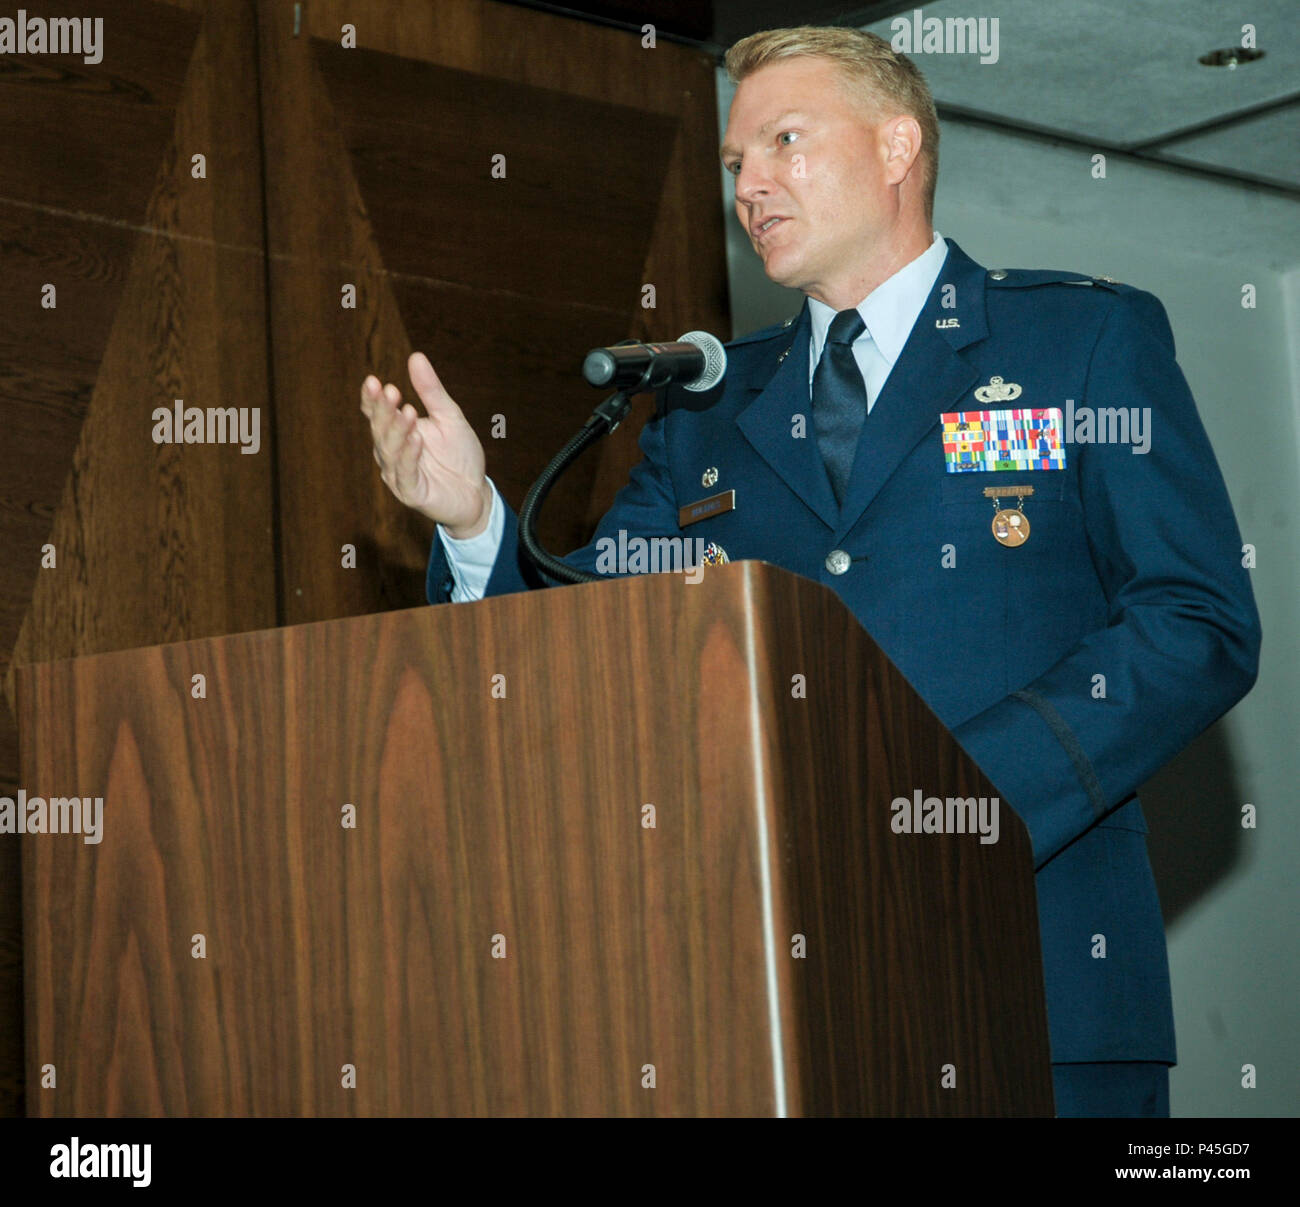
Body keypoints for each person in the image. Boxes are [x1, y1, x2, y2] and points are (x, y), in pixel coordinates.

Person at [360, 26, 1260, 1117]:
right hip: (778, 997)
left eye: (785, 141)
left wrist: (949, 795)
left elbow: (1193, 620)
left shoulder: (1079, 340)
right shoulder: (708, 403)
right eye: (736, 164)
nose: (751, 185)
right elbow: (584, 642)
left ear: (896, 146)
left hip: (1039, 971)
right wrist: (469, 519)